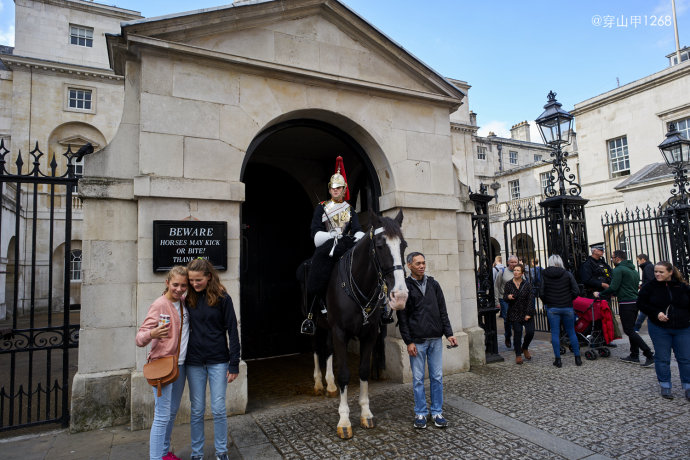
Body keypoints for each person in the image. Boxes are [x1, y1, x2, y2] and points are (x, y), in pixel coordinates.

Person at [185, 258, 240, 460]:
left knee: (218, 409)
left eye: (198, 280)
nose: (194, 284)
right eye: (191, 280)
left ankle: (221, 451)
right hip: (194, 362)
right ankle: (197, 453)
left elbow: (233, 331)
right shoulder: (186, 297)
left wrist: (234, 363)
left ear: (209, 277)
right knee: (197, 410)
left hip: (218, 360)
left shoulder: (223, 298)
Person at [398, 252, 457, 429]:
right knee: (417, 379)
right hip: (417, 341)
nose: (422, 266)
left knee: (437, 377)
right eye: (418, 263)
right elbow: (402, 318)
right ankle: (421, 413)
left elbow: (443, 311)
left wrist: (449, 333)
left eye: (423, 263)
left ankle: (437, 412)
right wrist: (408, 341)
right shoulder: (404, 288)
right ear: (409, 266)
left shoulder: (434, 284)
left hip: (435, 340)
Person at [307, 157, 372, 317]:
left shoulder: (349, 209)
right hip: (327, 245)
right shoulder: (321, 208)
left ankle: (378, 305)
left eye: (339, 188)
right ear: (329, 189)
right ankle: (314, 309)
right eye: (333, 188)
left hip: (346, 244)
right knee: (317, 269)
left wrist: (358, 238)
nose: (336, 190)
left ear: (344, 189)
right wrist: (329, 234)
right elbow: (315, 230)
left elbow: (356, 229)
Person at [136, 266, 189, 460]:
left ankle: (165, 453)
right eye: (175, 284)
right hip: (163, 366)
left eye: (183, 285)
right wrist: (152, 334)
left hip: (180, 365)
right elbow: (139, 338)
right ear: (167, 283)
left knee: (172, 413)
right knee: (161, 416)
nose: (179, 288)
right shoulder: (160, 304)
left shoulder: (183, 303)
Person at [636, 261, 690, 401]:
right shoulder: (649, 287)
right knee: (662, 358)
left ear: (670, 272)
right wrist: (656, 313)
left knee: (685, 358)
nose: (657, 274)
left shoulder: (682, 286)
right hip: (660, 328)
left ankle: (688, 386)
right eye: (656, 272)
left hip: (682, 328)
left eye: (661, 272)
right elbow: (641, 304)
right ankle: (665, 385)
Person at [596, 250, 654, 367]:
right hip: (634, 301)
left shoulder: (618, 270)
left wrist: (600, 294)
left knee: (629, 330)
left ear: (617, 258)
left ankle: (649, 354)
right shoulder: (633, 270)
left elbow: (613, 287)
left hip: (626, 303)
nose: (611, 260)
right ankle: (634, 354)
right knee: (632, 329)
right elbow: (626, 286)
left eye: (612, 257)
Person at [540, 254, 582, 368]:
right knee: (572, 332)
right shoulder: (567, 274)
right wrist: (569, 299)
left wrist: (548, 302)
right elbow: (576, 291)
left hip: (553, 307)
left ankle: (558, 360)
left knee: (555, 333)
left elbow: (542, 292)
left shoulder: (545, 275)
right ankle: (577, 358)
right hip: (567, 306)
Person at [580, 242, 618, 347]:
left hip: (605, 294)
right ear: (594, 251)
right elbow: (586, 279)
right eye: (600, 250)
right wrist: (601, 284)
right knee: (596, 319)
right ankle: (595, 339)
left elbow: (610, 275)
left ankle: (606, 339)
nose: (602, 251)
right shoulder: (587, 264)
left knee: (606, 318)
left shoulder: (603, 263)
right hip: (595, 294)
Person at [503, 264, 534, 364]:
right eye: (515, 270)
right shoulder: (508, 284)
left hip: (526, 312)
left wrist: (528, 314)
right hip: (514, 312)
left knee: (530, 332)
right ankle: (518, 355)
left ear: (522, 273)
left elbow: (530, 300)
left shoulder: (527, 285)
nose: (515, 272)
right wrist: (508, 297)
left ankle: (524, 347)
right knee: (517, 333)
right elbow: (504, 297)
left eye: (518, 270)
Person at [494, 255, 518, 348]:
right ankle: (507, 336)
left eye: (515, 262)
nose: (513, 264)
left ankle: (517, 343)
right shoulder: (502, 272)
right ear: (508, 263)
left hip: (516, 300)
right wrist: (497, 301)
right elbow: (496, 286)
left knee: (516, 320)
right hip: (504, 299)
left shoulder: (520, 272)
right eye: (511, 262)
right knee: (507, 320)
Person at [634, 253, 655, 332]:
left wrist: (643, 287)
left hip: (649, 293)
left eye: (638, 261)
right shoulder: (648, 267)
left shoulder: (647, 267)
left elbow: (650, 280)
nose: (638, 263)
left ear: (643, 259)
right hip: (650, 293)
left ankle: (636, 327)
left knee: (644, 311)